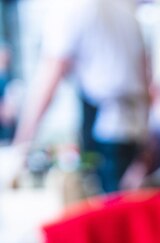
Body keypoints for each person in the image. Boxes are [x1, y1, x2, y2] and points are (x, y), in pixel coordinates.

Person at [13, 0, 150, 193]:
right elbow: (146, 73)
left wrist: (21, 144)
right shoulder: (126, 7)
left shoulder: (72, 7)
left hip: (106, 128)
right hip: (133, 124)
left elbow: (50, 77)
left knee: (108, 207)